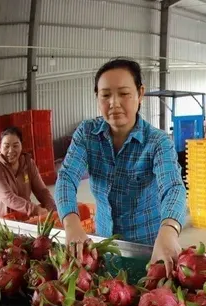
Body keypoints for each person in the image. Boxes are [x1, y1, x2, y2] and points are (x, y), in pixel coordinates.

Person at [55, 58, 187, 277]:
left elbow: (172, 187)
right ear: (97, 97)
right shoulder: (87, 134)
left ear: (140, 93)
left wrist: (169, 231)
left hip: (150, 249)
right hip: (104, 245)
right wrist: (71, 224)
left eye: (124, 94)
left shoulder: (157, 142)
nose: (114, 103)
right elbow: (67, 176)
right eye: (105, 95)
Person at [0, 126, 56, 218]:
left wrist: (52, 208)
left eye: (15, 145)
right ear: (0, 147)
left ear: (21, 145)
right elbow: (9, 198)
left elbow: (41, 191)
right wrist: (35, 210)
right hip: (1, 223)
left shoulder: (28, 163)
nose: (11, 151)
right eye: (6, 146)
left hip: (24, 218)